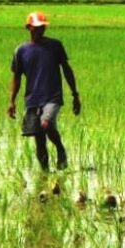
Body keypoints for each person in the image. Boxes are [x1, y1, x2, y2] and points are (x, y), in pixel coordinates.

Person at [8, 11, 81, 171]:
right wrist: (12, 101)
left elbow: (67, 70)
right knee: (39, 139)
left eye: (43, 27)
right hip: (32, 98)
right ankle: (45, 175)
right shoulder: (21, 51)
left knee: (46, 125)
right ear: (29, 27)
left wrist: (75, 94)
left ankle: (60, 149)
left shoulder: (55, 46)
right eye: (37, 27)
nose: (40, 30)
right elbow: (16, 78)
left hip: (52, 96)